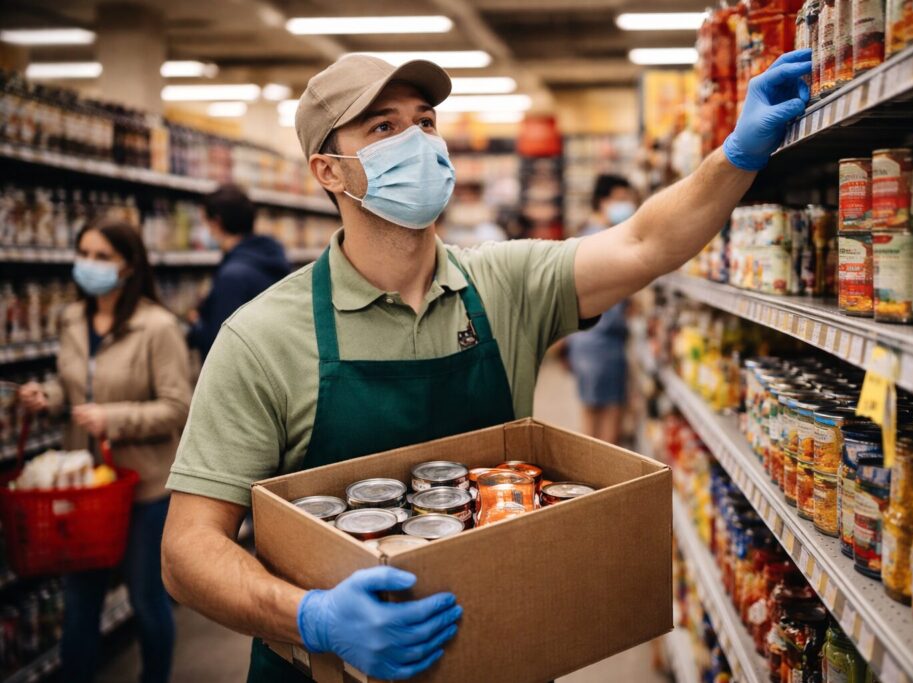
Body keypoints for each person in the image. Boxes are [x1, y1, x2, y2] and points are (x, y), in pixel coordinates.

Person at [160, 49, 812, 682]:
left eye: (424, 121)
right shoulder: (263, 336)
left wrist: (735, 157)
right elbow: (187, 551)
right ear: (329, 171)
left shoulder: (505, 284)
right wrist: (310, 615)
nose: (417, 141)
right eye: (384, 127)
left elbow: (644, 243)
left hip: (497, 644)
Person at [18, 219, 192, 683]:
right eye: (84, 254)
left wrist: (111, 418)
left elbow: (178, 407)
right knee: (79, 602)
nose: (88, 265)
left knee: (146, 600)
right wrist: (50, 396)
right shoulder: (72, 319)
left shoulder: (157, 327)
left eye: (101, 257)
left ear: (129, 265)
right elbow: (77, 387)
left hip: (143, 486)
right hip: (85, 487)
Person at [566, 174, 637, 444]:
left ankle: (590, 474)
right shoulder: (603, 239)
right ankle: (604, 478)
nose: (626, 206)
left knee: (591, 409)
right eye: (620, 200)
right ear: (601, 201)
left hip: (586, 339)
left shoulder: (586, 234)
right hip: (602, 340)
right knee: (607, 415)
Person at [186, 184, 291, 359]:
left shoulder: (233, 277)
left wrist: (197, 326)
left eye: (204, 222)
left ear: (217, 223)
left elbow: (220, 345)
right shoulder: (270, 257)